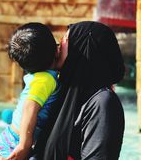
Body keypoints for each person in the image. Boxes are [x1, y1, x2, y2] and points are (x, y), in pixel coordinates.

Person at [33, 21, 125, 160]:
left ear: (82, 48)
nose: (60, 43)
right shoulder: (59, 92)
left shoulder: (102, 103)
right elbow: (15, 138)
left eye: (66, 39)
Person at [0, 22, 60, 160]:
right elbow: (29, 107)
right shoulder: (45, 80)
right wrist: (24, 145)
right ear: (55, 50)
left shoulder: (40, 77)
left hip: (13, 137)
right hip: (16, 141)